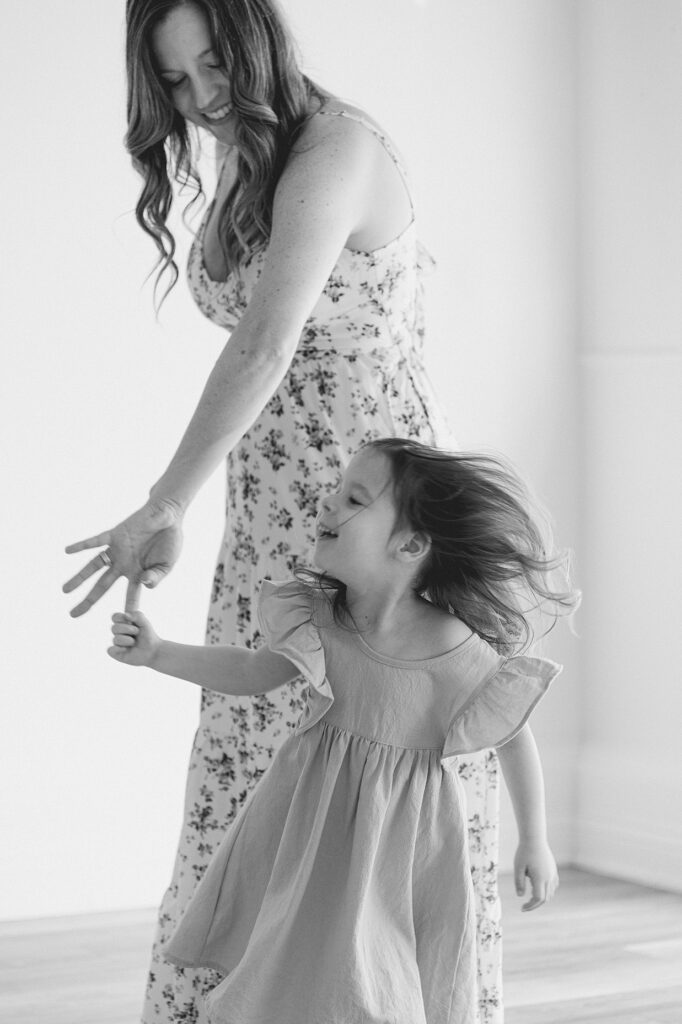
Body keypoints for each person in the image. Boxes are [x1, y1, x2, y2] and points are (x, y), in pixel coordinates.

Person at [63, 1, 511, 1020]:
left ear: (258, 37)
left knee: (374, 770)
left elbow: (265, 346)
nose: (201, 99)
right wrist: (194, 502)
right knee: (252, 760)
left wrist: (160, 496)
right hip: (273, 504)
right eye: (174, 82)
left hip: (375, 509)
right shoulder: (246, 158)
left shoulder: (337, 148)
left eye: (213, 65)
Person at [108, 438, 579, 1024]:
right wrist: (158, 653)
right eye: (336, 490)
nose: (327, 503)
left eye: (353, 497)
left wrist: (534, 839)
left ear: (411, 544)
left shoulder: (456, 650)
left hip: (397, 846)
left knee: (379, 980)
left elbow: (513, 735)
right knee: (290, 965)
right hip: (307, 826)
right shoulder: (321, 617)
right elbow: (255, 671)